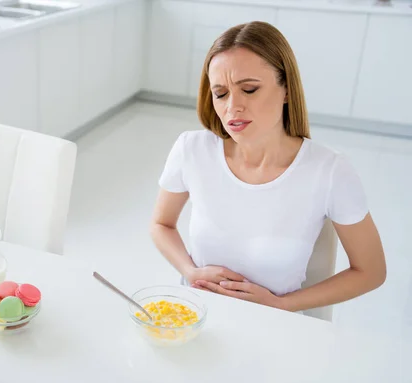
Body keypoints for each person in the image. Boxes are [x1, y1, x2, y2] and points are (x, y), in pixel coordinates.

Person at [150, 21, 386, 313]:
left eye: (249, 89)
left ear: (286, 89)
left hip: (274, 325)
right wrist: (190, 270)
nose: (232, 107)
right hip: (197, 313)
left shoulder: (330, 171)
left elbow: (371, 271)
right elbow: (161, 224)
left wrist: (280, 304)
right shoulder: (191, 150)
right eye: (220, 94)